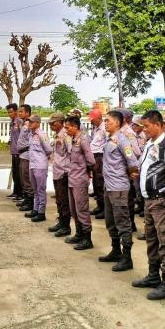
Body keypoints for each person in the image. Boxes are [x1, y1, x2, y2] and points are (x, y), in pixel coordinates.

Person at [131, 110, 165, 300]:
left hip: (161, 202)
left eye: (147, 126)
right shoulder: (149, 145)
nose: (144, 130)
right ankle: (153, 275)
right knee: (152, 239)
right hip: (149, 201)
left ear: (158, 125)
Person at [97, 110, 140, 272]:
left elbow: (133, 163)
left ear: (117, 122)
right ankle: (116, 250)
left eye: (108, 120)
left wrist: (127, 178)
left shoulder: (123, 140)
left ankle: (127, 257)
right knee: (111, 221)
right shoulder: (110, 139)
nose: (105, 123)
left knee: (123, 222)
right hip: (109, 187)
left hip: (119, 188)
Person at [63, 115, 96, 250]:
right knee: (74, 210)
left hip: (80, 180)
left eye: (68, 127)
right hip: (72, 179)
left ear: (75, 127)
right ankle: (78, 233)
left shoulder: (83, 140)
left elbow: (91, 161)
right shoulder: (72, 140)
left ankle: (87, 239)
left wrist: (87, 173)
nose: (66, 130)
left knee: (82, 209)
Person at [48, 113, 72, 236]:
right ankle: (61, 222)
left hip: (63, 172)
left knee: (64, 200)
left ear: (60, 122)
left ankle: (66, 226)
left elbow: (71, 152)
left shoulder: (66, 135)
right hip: (57, 171)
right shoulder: (58, 135)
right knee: (58, 199)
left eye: (53, 122)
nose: (51, 125)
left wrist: (68, 170)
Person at [26, 114, 53, 222]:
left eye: (32, 122)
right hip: (32, 164)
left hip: (40, 165)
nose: (29, 124)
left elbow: (49, 149)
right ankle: (35, 209)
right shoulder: (30, 135)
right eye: (29, 122)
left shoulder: (42, 134)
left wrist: (43, 158)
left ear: (37, 123)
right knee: (35, 190)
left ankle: (41, 212)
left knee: (41, 190)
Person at [88, 108, 107, 219]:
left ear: (99, 118)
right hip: (95, 157)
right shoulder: (96, 128)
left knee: (100, 183)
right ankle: (100, 206)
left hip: (100, 157)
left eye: (93, 119)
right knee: (96, 183)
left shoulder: (105, 129)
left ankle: (104, 209)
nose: (91, 121)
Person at [16, 104, 34, 212]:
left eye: (21, 112)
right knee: (23, 179)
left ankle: (30, 202)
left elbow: (32, 140)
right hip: (22, 154)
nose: (19, 114)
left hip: (27, 155)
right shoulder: (24, 124)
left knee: (27, 179)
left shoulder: (29, 124)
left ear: (27, 113)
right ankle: (26, 198)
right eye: (19, 112)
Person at [5, 103, 23, 201]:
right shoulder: (12, 122)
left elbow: (23, 135)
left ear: (16, 111)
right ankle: (16, 192)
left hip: (19, 151)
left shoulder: (19, 122)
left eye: (11, 112)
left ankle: (20, 193)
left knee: (19, 174)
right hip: (13, 151)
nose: (9, 114)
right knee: (15, 173)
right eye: (8, 112)